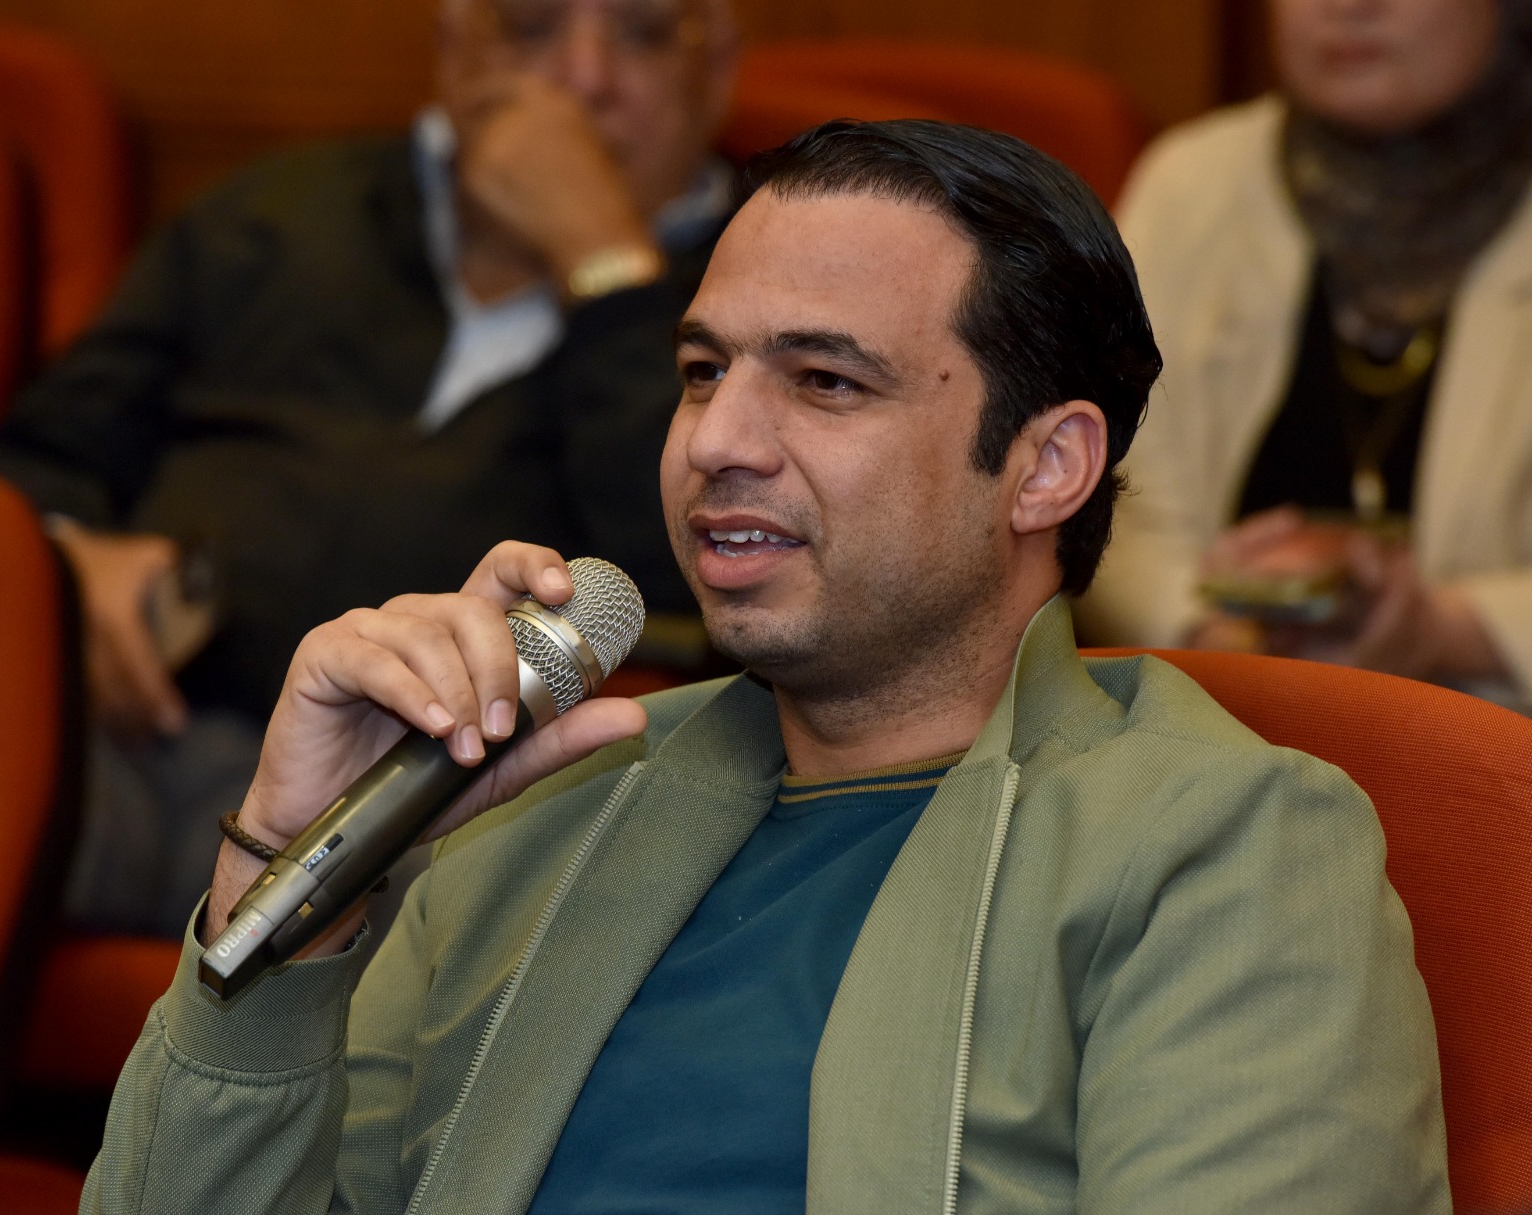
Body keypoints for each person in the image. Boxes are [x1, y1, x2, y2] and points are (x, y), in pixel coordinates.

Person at [81, 120, 1448, 1214]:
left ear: (1046, 466)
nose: (716, 439)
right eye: (700, 369)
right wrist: (291, 875)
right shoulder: (526, 817)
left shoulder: (1221, 846)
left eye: (824, 381)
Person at [0, 0, 739, 933]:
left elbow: (693, 559)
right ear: (455, 54)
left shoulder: (753, 290)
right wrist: (69, 564)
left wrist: (604, 263)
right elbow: (23, 465)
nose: (584, 79)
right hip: (127, 735)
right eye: (530, 29)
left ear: (716, 70)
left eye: (643, 34)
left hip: (443, 805)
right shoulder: (281, 214)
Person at [1078, 0, 1532, 711]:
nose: (1349, 6)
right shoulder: (1189, 184)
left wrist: (1448, 631)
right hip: (1211, 726)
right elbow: (1109, 490)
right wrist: (1208, 629)